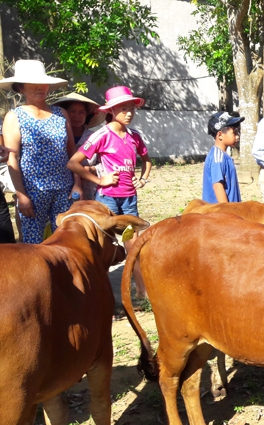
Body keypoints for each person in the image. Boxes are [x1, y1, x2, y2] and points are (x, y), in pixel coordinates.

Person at [67, 85, 152, 299]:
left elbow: (147, 160)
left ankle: (142, 292)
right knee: (104, 250)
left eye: (131, 108)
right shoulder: (101, 136)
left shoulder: (135, 136)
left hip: (129, 199)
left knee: (133, 246)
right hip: (107, 200)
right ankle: (102, 297)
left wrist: (142, 179)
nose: (129, 113)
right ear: (111, 111)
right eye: (123, 108)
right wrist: (99, 180)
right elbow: (73, 163)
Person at [1, 59, 81, 244]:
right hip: (33, 190)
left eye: (42, 83)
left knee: (66, 239)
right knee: (33, 243)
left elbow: (72, 152)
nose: (40, 88)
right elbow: (12, 157)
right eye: (33, 84)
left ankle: (63, 274)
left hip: (64, 188)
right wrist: (21, 194)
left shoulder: (60, 113)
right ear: (21, 88)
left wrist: (76, 183)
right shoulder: (15, 117)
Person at [52, 93, 105, 199]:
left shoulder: (94, 138)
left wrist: (90, 169)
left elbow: (105, 164)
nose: (77, 116)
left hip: (90, 192)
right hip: (60, 191)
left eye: (82, 112)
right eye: (72, 112)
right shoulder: (55, 138)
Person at [202, 111, 244, 204]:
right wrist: (227, 211)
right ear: (220, 135)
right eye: (234, 133)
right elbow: (218, 186)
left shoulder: (223, 156)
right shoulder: (218, 157)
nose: (238, 137)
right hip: (220, 214)